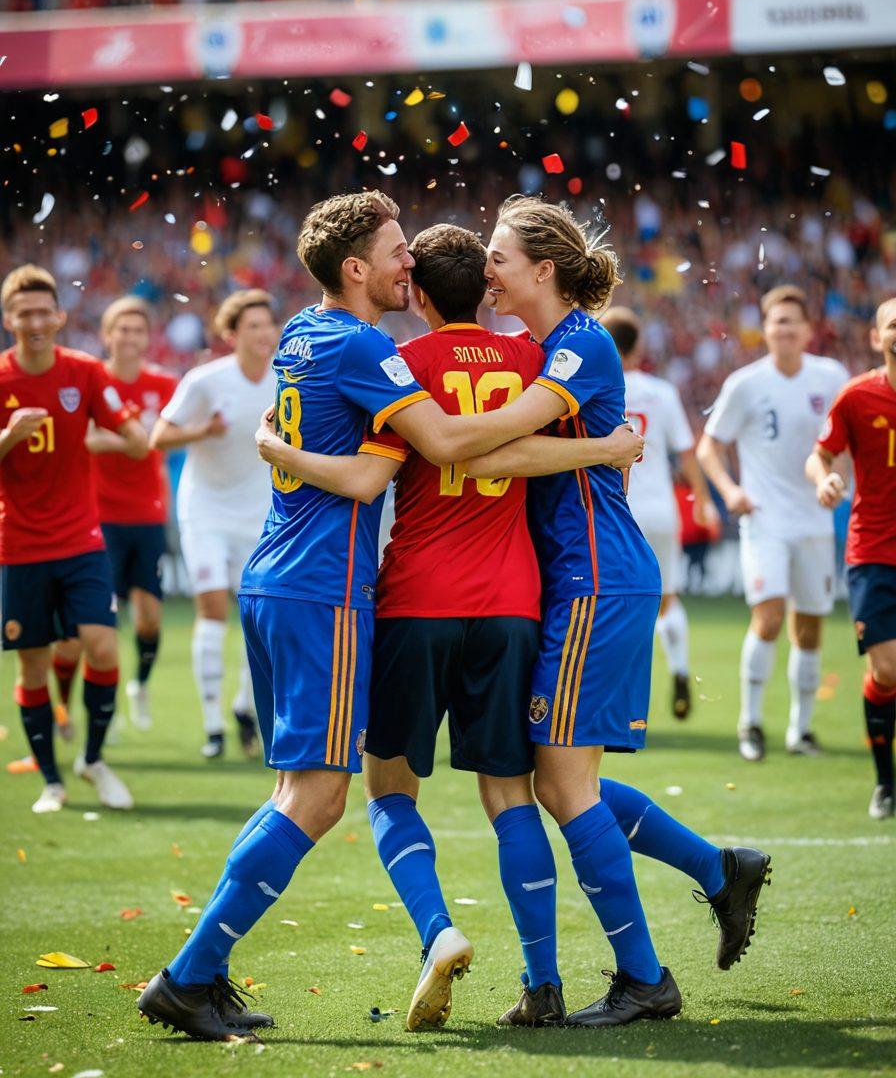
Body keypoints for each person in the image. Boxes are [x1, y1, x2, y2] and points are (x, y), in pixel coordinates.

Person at [255, 195, 771, 1028]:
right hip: (526, 595)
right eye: (486, 258)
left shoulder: (458, 359)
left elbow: (448, 447)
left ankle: (623, 975)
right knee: (540, 785)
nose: (493, 268)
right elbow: (506, 436)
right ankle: (706, 877)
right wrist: (601, 445)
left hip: (545, 583)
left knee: (519, 786)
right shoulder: (526, 354)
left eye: (505, 254)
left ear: (541, 268)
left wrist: (286, 447)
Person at [137, 190, 583, 1041]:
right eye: (392, 251)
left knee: (291, 791)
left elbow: (356, 446)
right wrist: (598, 444)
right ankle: (188, 976)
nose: (405, 263)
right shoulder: (367, 348)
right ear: (355, 270)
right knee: (318, 798)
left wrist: (282, 448)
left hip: (278, 576)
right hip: (326, 589)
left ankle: (201, 972)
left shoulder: (303, 333)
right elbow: (412, 461)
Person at [0, 264, 147, 813]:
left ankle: (92, 758)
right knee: (33, 666)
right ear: (10, 319)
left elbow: (135, 442)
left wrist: (126, 432)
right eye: (24, 312)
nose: (35, 320)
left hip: (82, 539)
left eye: (45, 311)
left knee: (103, 645)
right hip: (19, 545)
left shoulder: (83, 373)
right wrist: (10, 437)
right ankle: (51, 782)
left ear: (59, 317)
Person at [697, 285, 849, 761]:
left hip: (815, 519)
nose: (784, 329)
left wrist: (839, 480)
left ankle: (799, 732)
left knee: (810, 627)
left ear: (808, 330)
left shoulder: (832, 377)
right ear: (764, 330)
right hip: (763, 518)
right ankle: (751, 724)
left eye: (792, 321)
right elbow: (709, 446)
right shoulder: (746, 383)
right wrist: (731, 492)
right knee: (768, 618)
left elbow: (845, 444)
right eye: (776, 321)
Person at [150, 290, 278, 759]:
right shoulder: (205, 381)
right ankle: (212, 728)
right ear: (231, 334)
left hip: (261, 512)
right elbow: (159, 436)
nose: (266, 334)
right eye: (254, 326)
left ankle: (245, 708)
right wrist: (202, 431)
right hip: (205, 510)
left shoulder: (287, 379)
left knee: (255, 616)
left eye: (269, 324)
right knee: (210, 609)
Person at [53, 296, 178, 733]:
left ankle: (139, 687)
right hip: (96, 518)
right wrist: (128, 440)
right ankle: (64, 709)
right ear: (107, 335)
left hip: (147, 515)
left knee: (149, 618)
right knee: (84, 628)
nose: (128, 336)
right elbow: (82, 439)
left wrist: (137, 440)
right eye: (121, 329)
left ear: (147, 338)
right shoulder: (89, 380)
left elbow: (165, 439)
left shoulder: (163, 384)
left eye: (137, 329)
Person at [602, 306, 719, 719]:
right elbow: (686, 453)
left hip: (615, 510)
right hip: (660, 510)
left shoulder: (595, 385)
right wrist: (703, 500)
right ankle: (682, 669)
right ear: (638, 349)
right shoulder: (662, 392)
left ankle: (620, 697)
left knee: (612, 603)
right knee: (667, 599)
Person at [806, 297, 896, 819]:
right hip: (874, 550)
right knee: (887, 672)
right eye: (893, 324)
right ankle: (886, 783)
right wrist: (827, 479)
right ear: (875, 337)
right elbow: (818, 455)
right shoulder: (858, 396)